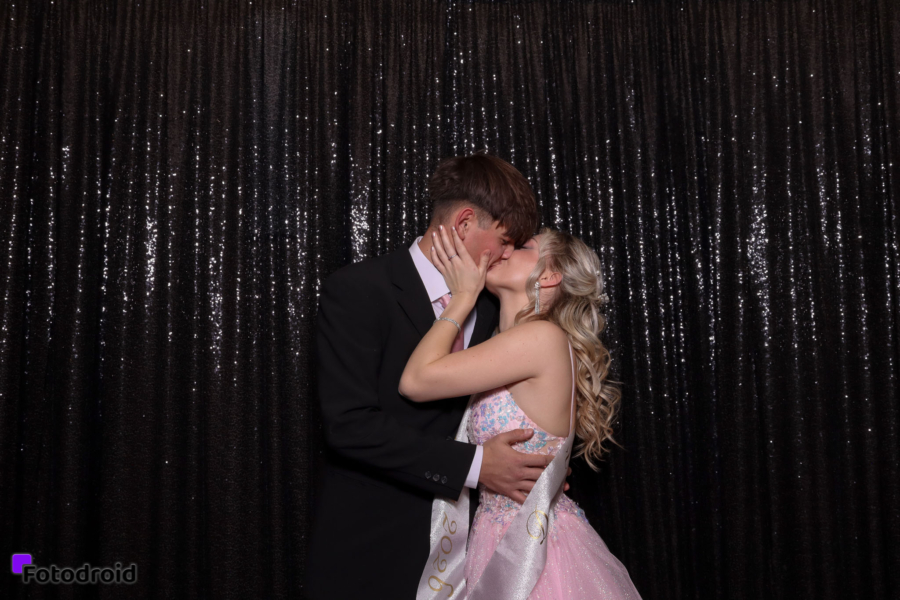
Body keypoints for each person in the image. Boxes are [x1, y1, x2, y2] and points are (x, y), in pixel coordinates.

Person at [307, 154, 556, 600]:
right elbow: (349, 425)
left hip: (476, 554)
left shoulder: (496, 304)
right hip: (373, 545)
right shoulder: (360, 289)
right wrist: (477, 466)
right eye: (504, 240)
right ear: (464, 223)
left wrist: (541, 465)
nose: (506, 255)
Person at [399, 226, 642, 599]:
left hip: (532, 554)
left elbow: (416, 381)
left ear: (550, 275)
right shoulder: (502, 342)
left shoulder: (540, 338)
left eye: (524, 246)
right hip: (496, 542)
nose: (505, 250)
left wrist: (462, 298)